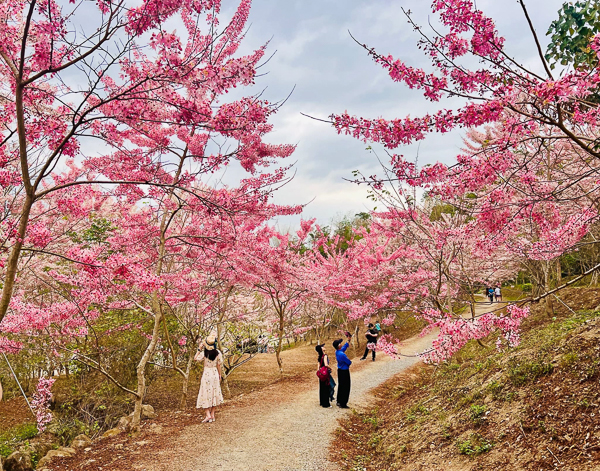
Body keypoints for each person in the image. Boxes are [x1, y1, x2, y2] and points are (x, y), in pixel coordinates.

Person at [194, 334, 224, 423]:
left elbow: (195, 358)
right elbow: (219, 364)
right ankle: (212, 414)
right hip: (214, 372)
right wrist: (220, 375)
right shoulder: (218, 353)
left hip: (207, 373)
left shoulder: (204, 353)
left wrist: (199, 349)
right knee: (214, 392)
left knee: (205, 392)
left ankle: (208, 415)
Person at [334, 331, 353, 408]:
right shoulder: (342, 354)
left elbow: (344, 347)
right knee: (346, 386)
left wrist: (348, 340)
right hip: (344, 371)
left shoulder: (337, 352)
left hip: (340, 370)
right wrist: (350, 362)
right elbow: (348, 362)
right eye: (340, 343)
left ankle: (339, 401)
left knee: (341, 386)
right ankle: (343, 403)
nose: (341, 344)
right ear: (339, 346)